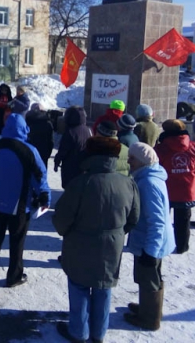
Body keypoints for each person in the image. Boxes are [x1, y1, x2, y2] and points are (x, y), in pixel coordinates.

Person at [53, 135, 140, 343]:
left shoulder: (81, 183)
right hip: (112, 245)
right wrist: (116, 233)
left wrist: (68, 232)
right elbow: (133, 218)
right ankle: (99, 333)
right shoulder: (128, 183)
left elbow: (61, 218)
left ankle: (78, 332)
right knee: (103, 287)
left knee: (79, 286)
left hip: (79, 244)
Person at [0, 113, 50, 287]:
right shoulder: (29, 150)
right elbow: (39, 176)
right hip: (20, 205)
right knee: (17, 241)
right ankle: (14, 275)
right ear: (24, 129)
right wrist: (44, 195)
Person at [124, 142, 175, 331]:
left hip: (151, 241)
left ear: (143, 161)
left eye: (132, 158)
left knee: (149, 278)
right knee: (149, 277)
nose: (129, 161)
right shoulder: (148, 176)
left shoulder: (148, 183)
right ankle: (149, 308)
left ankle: (150, 319)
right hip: (150, 239)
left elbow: (157, 221)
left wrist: (150, 251)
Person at [154, 119, 195, 254]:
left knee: (162, 219)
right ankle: (182, 246)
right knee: (183, 221)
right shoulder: (193, 147)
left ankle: (161, 244)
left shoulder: (161, 149)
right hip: (187, 190)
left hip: (166, 188)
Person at [54, 106, 92, 189]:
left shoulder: (70, 132)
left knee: (70, 189)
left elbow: (63, 151)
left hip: (70, 167)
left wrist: (57, 161)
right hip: (84, 165)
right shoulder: (88, 130)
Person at [25, 103, 54, 168]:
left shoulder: (27, 122)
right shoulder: (48, 123)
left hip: (29, 153)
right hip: (43, 154)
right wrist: (47, 154)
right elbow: (51, 142)